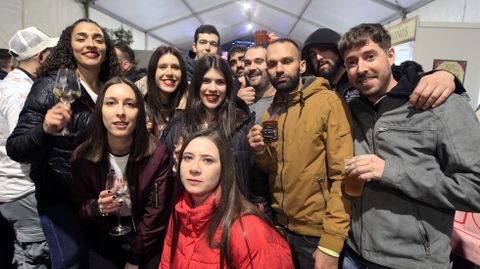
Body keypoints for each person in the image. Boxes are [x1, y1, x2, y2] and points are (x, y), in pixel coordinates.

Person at [338, 23, 480, 269]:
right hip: (352, 253)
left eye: (370, 56)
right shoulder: (349, 107)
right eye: (351, 62)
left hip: (413, 261)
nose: (361, 68)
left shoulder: (441, 104)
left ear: (390, 55)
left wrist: (391, 172)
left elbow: (475, 190)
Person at [6, 18, 120, 269]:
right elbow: (17, 147)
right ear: (68, 46)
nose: (90, 44)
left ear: (106, 48)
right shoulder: (49, 86)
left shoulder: (110, 89)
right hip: (62, 201)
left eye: (98, 39)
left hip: (99, 200)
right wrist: (45, 130)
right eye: (81, 38)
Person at [247, 38, 353, 269]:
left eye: (286, 61)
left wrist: (331, 243)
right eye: (273, 64)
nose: (279, 69)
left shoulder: (328, 103)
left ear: (302, 66)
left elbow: (343, 175)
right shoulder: (270, 113)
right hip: (278, 227)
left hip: (315, 235)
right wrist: (260, 151)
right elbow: (269, 168)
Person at [70, 77, 170, 269]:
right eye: (111, 103)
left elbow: (155, 213)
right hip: (103, 237)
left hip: (144, 236)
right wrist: (96, 207)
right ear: (100, 110)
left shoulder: (157, 153)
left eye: (130, 104)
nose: (120, 112)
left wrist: (135, 258)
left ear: (140, 112)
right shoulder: (81, 157)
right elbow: (79, 208)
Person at [159, 129, 293, 268]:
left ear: (224, 168)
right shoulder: (181, 211)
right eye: (188, 157)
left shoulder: (250, 231)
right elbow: (167, 262)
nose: (194, 168)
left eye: (207, 160)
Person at [0, 26, 57, 269]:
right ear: (40, 56)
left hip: (11, 188)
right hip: (22, 189)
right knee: (38, 255)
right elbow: (23, 145)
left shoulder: (8, 84)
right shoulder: (20, 93)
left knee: (23, 255)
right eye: (51, 52)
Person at [163, 54, 254, 198]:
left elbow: (256, 178)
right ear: (197, 85)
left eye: (219, 82)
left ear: (228, 87)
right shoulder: (177, 128)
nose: (213, 88)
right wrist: (176, 165)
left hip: (233, 213)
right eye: (206, 81)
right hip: (191, 213)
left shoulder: (243, 125)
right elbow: (165, 185)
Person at [302, 27, 460, 109]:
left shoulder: (363, 82)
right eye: (312, 54)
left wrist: (443, 75)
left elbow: (404, 73)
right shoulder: (315, 89)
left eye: (323, 49)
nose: (318, 57)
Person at [144, 46, 188, 138]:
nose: (169, 73)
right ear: (153, 71)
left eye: (175, 67)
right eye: (162, 67)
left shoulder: (192, 104)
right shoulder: (139, 102)